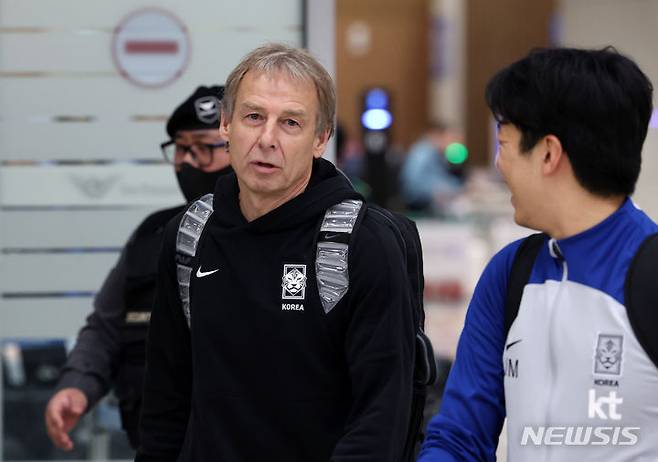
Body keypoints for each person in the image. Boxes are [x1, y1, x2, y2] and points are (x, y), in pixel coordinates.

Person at [136, 43, 415, 462]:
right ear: (227, 125)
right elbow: (165, 402)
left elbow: (382, 416)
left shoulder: (362, 244)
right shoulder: (190, 237)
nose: (267, 139)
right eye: (253, 117)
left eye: (290, 122)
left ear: (320, 138)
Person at [418, 47, 658, 461]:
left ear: (548, 154)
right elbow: (460, 436)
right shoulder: (510, 274)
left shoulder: (649, 274)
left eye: (504, 144)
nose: (498, 164)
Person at [44, 85, 231, 451]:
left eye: (205, 148)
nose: (189, 161)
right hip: (157, 444)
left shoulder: (269, 239)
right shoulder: (154, 236)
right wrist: (76, 385)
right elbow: (106, 327)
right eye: (181, 148)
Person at [399, 123, 463, 214]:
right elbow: (412, 185)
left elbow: (441, 178)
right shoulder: (423, 153)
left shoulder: (436, 154)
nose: (455, 143)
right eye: (452, 138)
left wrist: (459, 187)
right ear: (439, 136)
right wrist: (441, 191)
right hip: (418, 209)